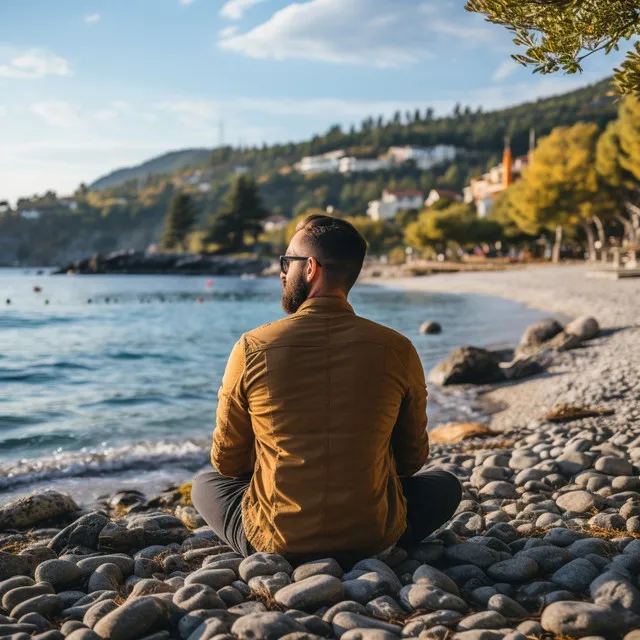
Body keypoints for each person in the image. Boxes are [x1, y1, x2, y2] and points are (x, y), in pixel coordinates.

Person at [192, 214, 461, 566]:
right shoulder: (398, 348)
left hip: (277, 540)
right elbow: (411, 461)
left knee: (204, 484)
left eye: (287, 262)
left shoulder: (252, 347)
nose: (282, 273)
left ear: (311, 268)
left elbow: (227, 462)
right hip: (373, 536)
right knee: (445, 484)